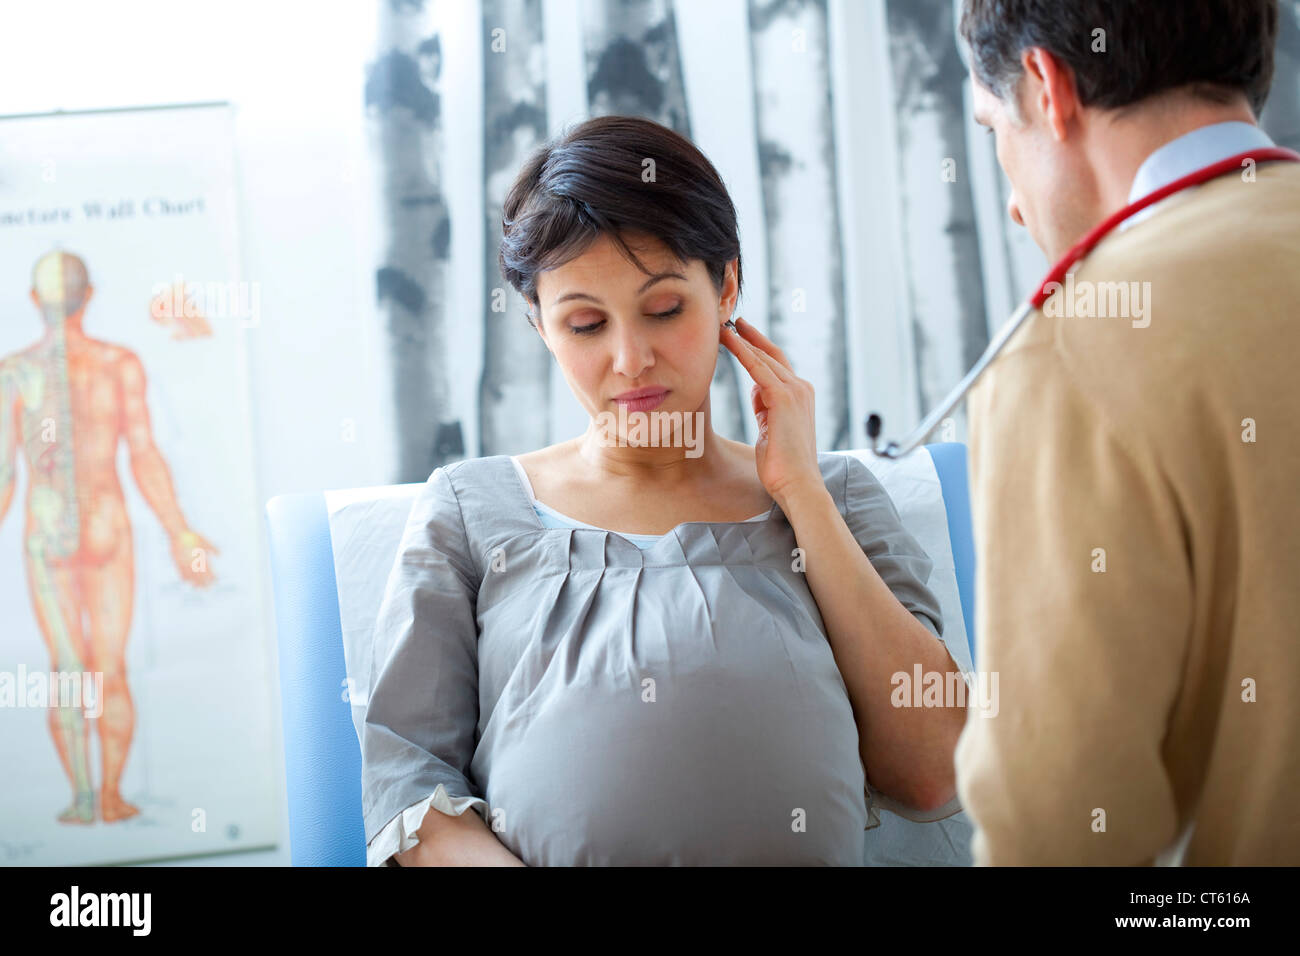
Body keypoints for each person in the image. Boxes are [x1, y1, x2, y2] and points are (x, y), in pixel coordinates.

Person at [360, 115, 968, 866]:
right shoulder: (469, 510)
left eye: (664, 310)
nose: (631, 359)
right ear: (539, 327)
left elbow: (934, 773)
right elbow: (408, 790)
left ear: (727, 289)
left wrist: (800, 495)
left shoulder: (833, 496)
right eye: (585, 324)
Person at [953, 0, 1300, 864]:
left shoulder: (1071, 349)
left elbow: (1060, 825)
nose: (1010, 205)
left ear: (1047, 84)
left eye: (995, 126)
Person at [0, 250, 218, 825]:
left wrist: (180, 531)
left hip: (47, 534)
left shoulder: (13, 372)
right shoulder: (117, 363)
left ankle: (81, 797)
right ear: (89, 295)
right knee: (108, 666)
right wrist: (180, 531)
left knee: (69, 667)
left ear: (32, 301)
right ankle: (112, 796)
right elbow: (143, 454)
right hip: (106, 529)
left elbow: (4, 476)